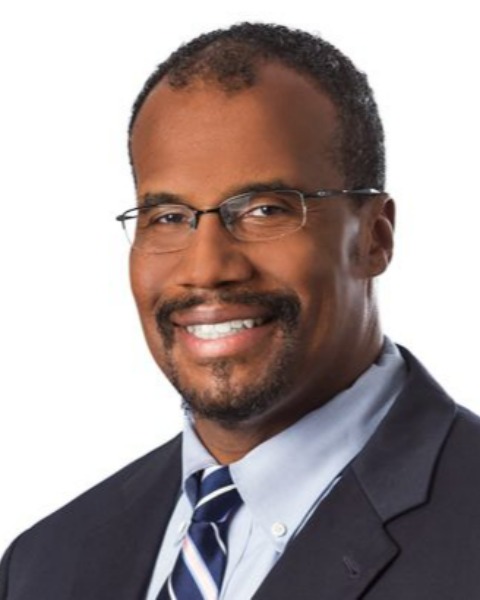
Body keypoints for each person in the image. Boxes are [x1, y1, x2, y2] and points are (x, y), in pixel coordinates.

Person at [1, 21, 480, 600]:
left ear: (374, 238)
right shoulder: (45, 563)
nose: (206, 268)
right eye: (169, 217)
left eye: (264, 210)